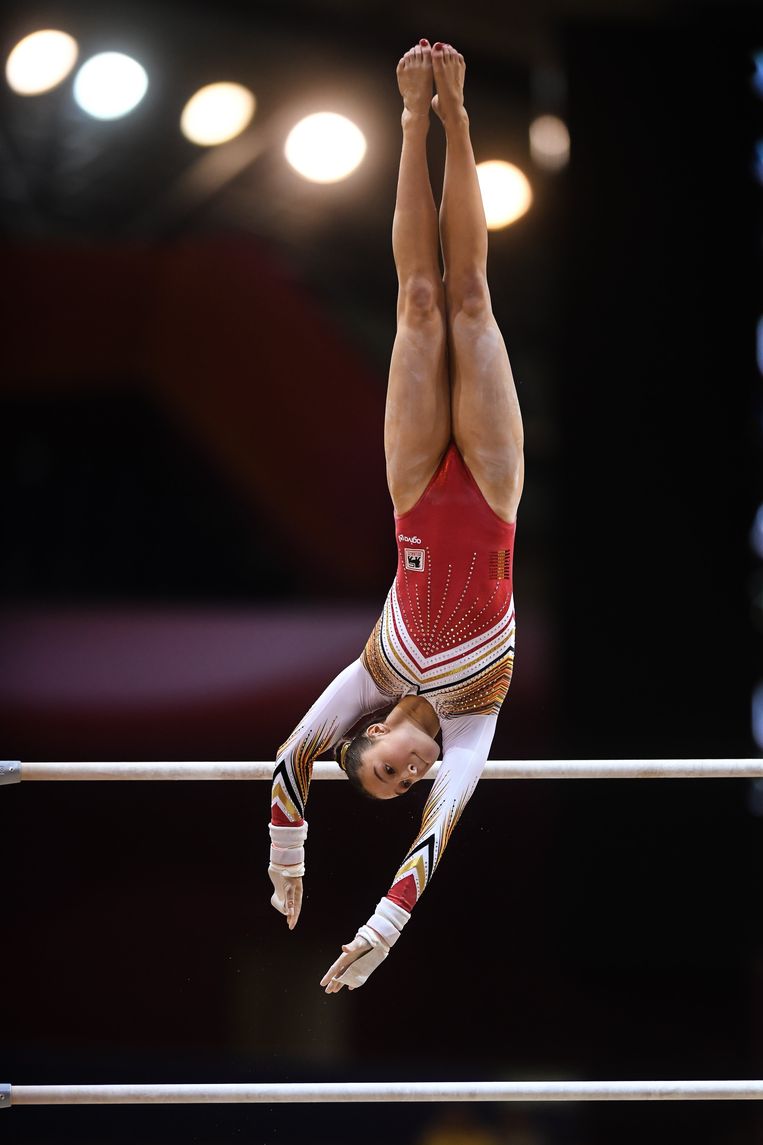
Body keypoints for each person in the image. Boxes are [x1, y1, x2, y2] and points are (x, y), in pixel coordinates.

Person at [268, 39, 524, 992]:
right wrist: (385, 925)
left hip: (414, 489)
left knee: (418, 303)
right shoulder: (472, 718)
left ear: (369, 737)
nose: (410, 774)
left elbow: (289, 764)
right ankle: (460, 119)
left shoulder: (370, 672)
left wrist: (286, 865)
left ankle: (413, 119)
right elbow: (442, 821)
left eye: (386, 771)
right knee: (470, 298)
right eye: (404, 782)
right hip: (494, 493)